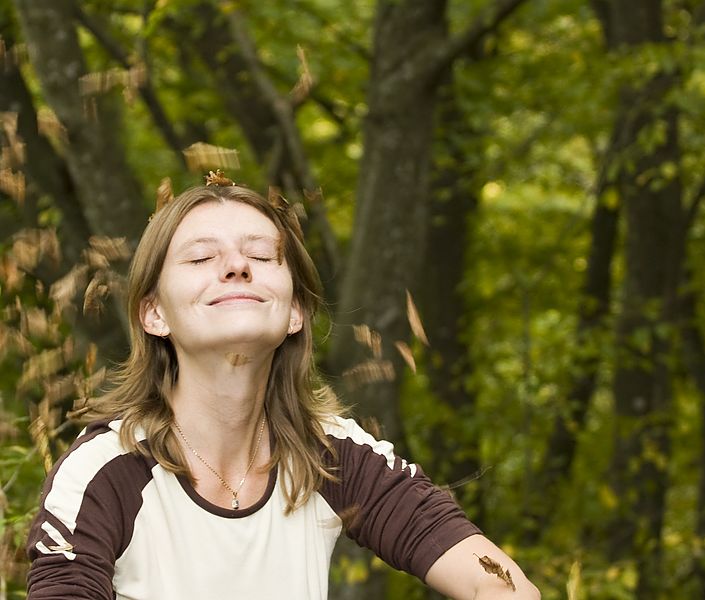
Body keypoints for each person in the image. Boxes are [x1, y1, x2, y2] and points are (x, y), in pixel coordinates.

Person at [26, 173, 540, 600]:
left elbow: (504, 589)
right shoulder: (101, 473)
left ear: (295, 310)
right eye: (202, 258)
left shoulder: (334, 456)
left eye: (263, 256)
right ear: (154, 313)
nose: (236, 265)